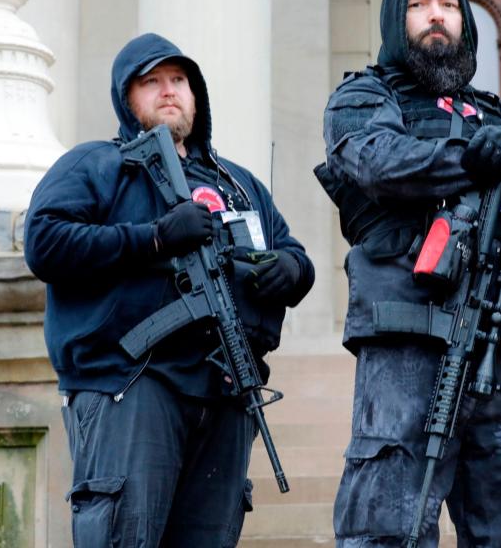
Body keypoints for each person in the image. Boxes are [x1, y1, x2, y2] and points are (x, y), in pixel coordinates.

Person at [317, 0, 501, 547]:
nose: (436, 17)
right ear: (396, 18)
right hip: (409, 337)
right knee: (389, 523)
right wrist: (471, 158)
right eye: (419, 5)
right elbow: (377, 162)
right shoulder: (364, 95)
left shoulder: (494, 112)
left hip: (498, 349)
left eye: (447, 5)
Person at [24, 33, 314, 547]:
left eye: (178, 80)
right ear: (125, 98)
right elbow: (45, 242)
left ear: (195, 94)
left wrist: (292, 271)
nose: (168, 91)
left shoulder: (238, 181)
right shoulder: (97, 164)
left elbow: (293, 250)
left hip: (226, 391)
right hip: (133, 384)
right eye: (151, 82)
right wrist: (153, 238)